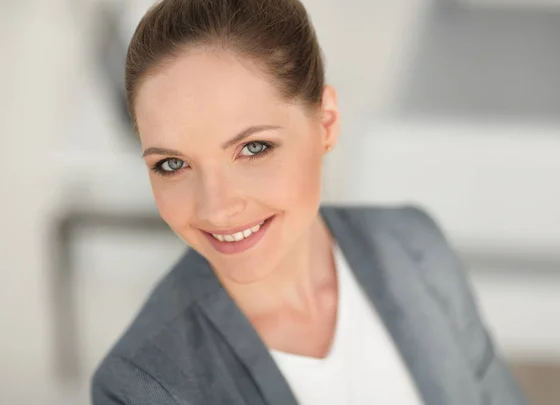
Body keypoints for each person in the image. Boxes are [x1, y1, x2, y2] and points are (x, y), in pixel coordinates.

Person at [91, 0, 525, 404]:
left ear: (326, 125)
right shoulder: (142, 385)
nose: (217, 208)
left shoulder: (415, 246)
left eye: (254, 148)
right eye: (172, 164)